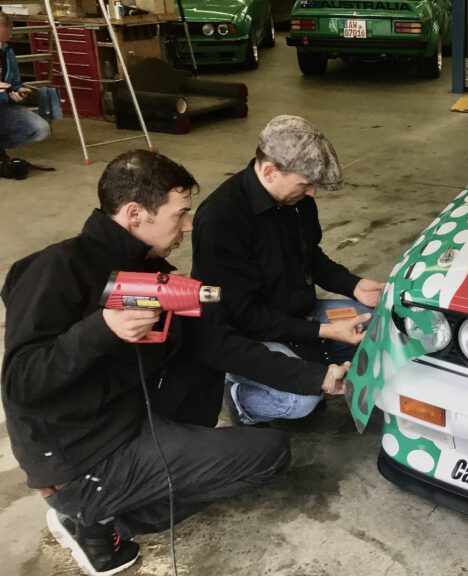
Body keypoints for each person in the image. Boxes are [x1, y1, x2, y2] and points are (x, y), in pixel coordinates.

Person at [1, 150, 352, 576]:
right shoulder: (57, 268)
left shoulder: (151, 273)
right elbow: (21, 383)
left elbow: (221, 347)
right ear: (135, 214)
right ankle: (94, 519)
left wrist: (320, 378)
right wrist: (102, 328)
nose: (189, 225)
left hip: (127, 413)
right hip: (81, 457)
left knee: (202, 354)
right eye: (180, 214)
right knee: (269, 454)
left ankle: (147, 473)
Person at [192, 115, 385, 426]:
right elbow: (242, 315)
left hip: (298, 315)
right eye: (305, 184)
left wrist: (355, 286)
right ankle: (239, 397)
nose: (312, 193)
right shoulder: (220, 220)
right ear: (269, 171)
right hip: (249, 334)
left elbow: (310, 256)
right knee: (301, 400)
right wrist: (324, 331)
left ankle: (314, 360)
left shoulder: (296, 201)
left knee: (380, 323)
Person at [0, 11, 50, 162]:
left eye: (3, 41)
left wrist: (16, 91)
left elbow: (14, 83)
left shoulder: (7, 52)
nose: (2, 44)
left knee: (40, 129)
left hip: (2, 107)